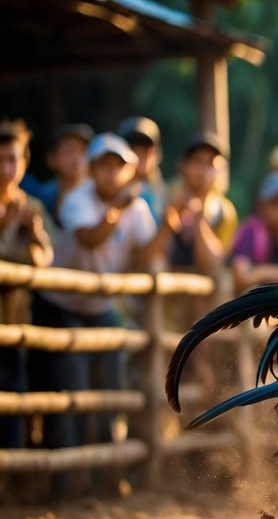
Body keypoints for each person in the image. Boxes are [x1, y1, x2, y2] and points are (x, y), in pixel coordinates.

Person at [32, 133, 177, 452]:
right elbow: (89, 239)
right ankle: (69, 481)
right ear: (92, 169)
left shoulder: (137, 208)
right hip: (60, 305)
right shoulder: (77, 200)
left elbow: (147, 254)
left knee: (111, 386)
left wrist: (167, 227)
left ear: (129, 171)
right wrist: (118, 209)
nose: (111, 172)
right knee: (71, 388)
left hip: (100, 307)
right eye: (104, 165)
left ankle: (107, 475)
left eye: (118, 165)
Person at [0, 119, 55, 450]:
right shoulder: (18, 211)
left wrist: (32, 237)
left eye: (12, 159)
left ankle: (13, 480)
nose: (7, 167)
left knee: (16, 397)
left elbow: (45, 256)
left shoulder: (30, 207)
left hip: (18, 321)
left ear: (24, 162)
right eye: (1, 159)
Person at [166, 132, 236, 277]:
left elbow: (213, 263)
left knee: (223, 278)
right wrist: (171, 216)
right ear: (183, 165)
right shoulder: (166, 197)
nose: (203, 169)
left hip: (203, 292)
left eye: (210, 163)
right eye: (197, 161)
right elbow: (150, 256)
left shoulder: (224, 211)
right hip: (167, 284)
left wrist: (199, 220)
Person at [19, 123, 92, 225]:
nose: (76, 158)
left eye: (83, 151)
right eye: (69, 151)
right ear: (51, 159)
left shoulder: (103, 193)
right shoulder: (41, 199)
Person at [116, 116, 168, 223]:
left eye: (146, 148)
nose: (140, 155)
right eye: (133, 148)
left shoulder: (162, 190)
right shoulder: (108, 188)